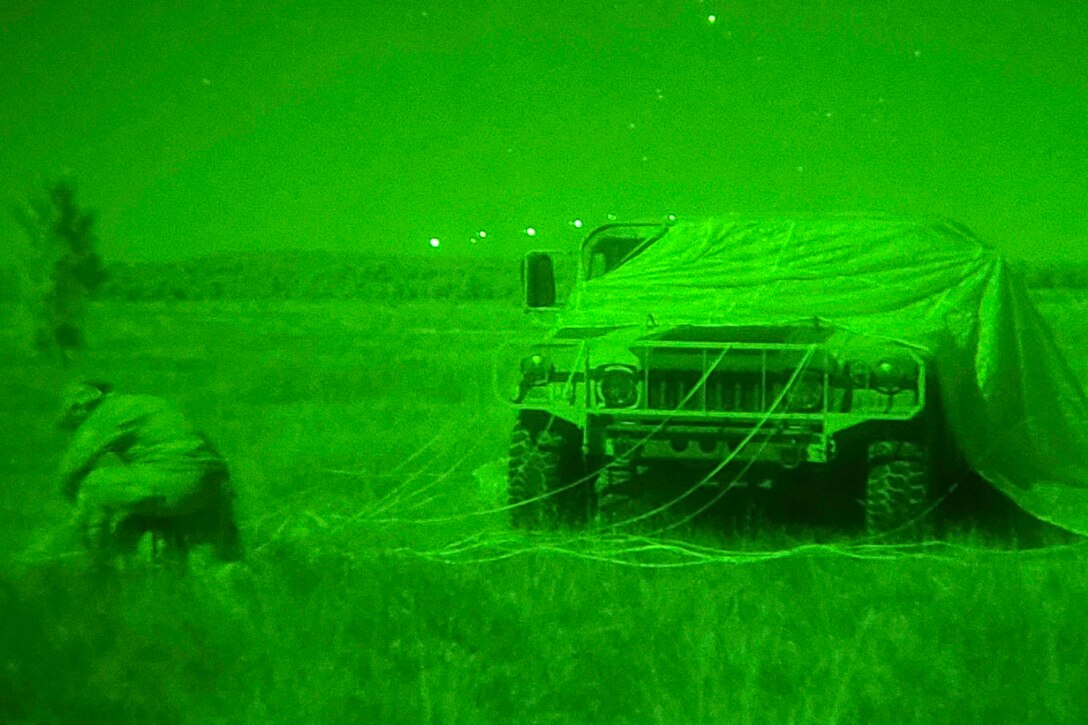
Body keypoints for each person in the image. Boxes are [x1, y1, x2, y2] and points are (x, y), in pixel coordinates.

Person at [56, 381, 242, 568]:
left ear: (79, 406)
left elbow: (69, 474)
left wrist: (77, 519)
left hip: (177, 482)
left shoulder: (103, 414)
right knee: (218, 564)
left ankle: (100, 565)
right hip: (214, 486)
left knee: (94, 484)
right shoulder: (145, 403)